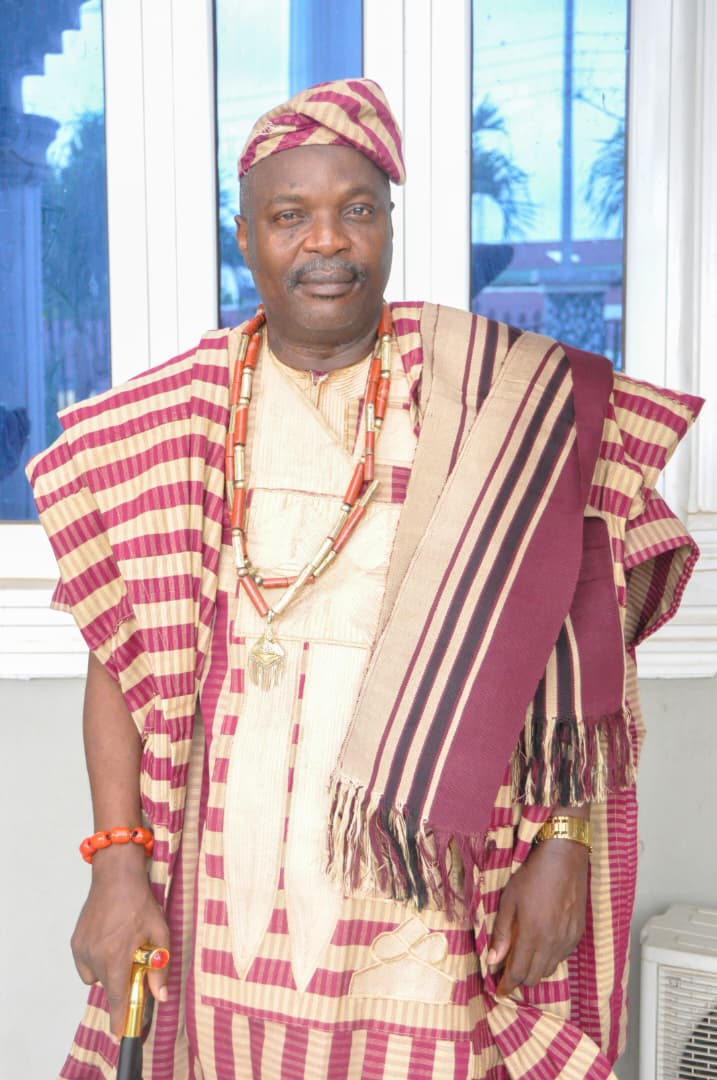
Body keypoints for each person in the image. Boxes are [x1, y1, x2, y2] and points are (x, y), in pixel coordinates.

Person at [28, 78, 702, 1080]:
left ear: (390, 225)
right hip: (225, 904)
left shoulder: (494, 401)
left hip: (434, 903)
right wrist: (118, 862)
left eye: (357, 210)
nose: (326, 242)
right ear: (244, 235)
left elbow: (582, 635)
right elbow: (119, 662)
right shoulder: (169, 421)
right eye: (289, 216)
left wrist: (563, 842)